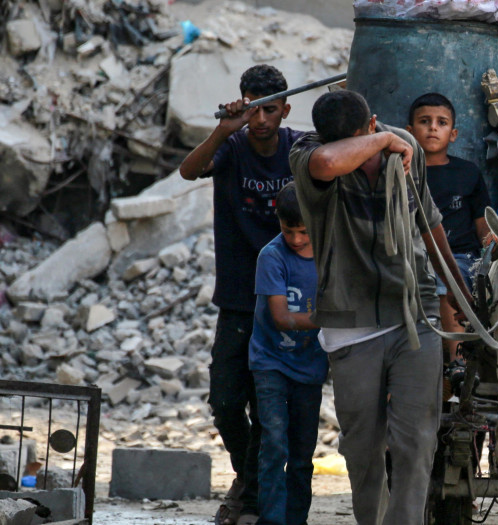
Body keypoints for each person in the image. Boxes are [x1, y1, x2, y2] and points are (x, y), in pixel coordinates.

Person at [289, 90, 470, 525]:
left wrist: (456, 288)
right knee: (363, 448)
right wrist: (383, 142)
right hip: (351, 324)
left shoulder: (405, 153)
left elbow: (429, 222)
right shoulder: (308, 155)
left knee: (417, 441)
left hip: (415, 312)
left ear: (372, 122)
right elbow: (330, 163)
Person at [179, 64, 307, 525]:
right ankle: (248, 482)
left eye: (269, 109)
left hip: (287, 300)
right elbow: (188, 170)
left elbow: (333, 160)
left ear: (284, 109)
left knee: (269, 406)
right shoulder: (231, 148)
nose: (260, 120)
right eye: (252, 109)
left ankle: (251, 497)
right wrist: (221, 129)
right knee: (227, 401)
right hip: (238, 298)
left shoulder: (298, 147)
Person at [248, 182, 325, 525]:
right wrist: (330, 319)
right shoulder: (272, 256)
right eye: (288, 230)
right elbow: (280, 317)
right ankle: (272, 519)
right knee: (275, 443)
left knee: (302, 454)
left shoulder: (329, 254)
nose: (295, 239)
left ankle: (296, 519)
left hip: (311, 367)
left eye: (303, 231)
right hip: (271, 364)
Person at [406, 93, 490, 358]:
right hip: (415, 256)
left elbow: (482, 225)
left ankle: (456, 363)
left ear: (452, 134)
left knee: (446, 281)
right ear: (409, 131)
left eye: (441, 123)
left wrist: (491, 253)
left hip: (462, 257)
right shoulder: (403, 172)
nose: (433, 127)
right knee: (436, 278)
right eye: (425, 121)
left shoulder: (468, 173)